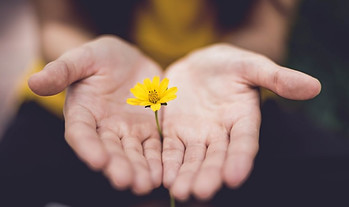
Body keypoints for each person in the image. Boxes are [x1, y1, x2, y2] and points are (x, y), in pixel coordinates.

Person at [4, 0, 346, 206]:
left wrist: (237, 56)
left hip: (224, 101)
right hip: (93, 97)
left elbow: (266, 28)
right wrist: (79, 60)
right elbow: (57, 22)